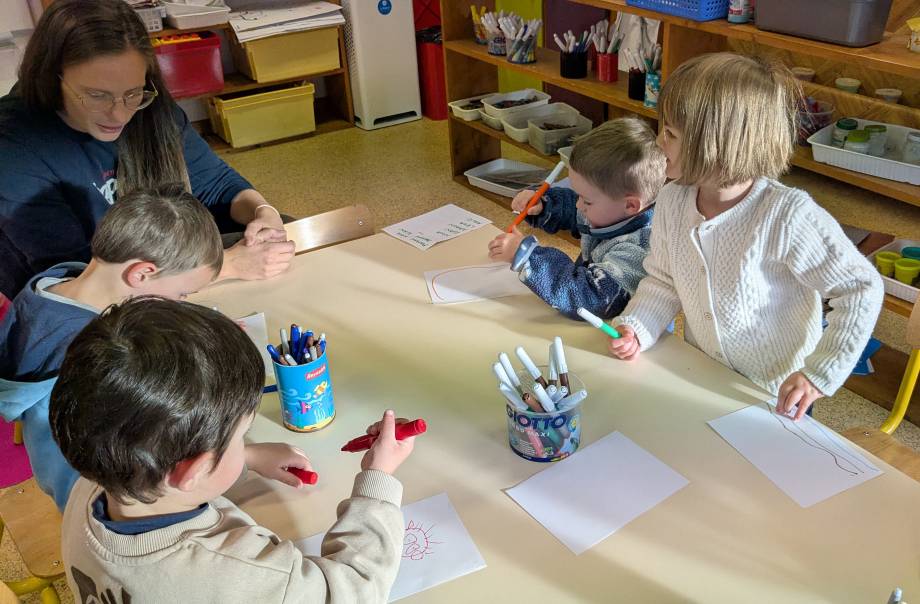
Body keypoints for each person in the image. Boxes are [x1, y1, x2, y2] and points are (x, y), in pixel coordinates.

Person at [51, 298, 414, 603]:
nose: (246, 444)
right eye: (243, 436)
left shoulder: (93, 481)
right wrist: (377, 482)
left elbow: (176, 477)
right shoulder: (240, 574)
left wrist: (249, 458)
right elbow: (352, 589)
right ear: (192, 471)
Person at [607, 53, 884, 420]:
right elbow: (663, 279)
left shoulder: (786, 215)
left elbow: (861, 287)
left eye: (670, 133)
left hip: (775, 396)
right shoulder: (673, 199)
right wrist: (638, 327)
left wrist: (819, 374)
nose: (659, 143)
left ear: (717, 145)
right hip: (703, 376)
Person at [0, 0, 294, 298]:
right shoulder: (15, 144)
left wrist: (262, 211)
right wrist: (227, 267)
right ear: (52, 77)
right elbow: (75, 280)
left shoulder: (151, 108)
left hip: (162, 260)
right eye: (97, 96)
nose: (120, 115)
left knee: (284, 232)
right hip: (85, 287)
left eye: (132, 93)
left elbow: (217, 184)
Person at [0, 185, 223, 510]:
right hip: (93, 491)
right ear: (142, 273)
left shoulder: (55, 282)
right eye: (184, 294)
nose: (181, 303)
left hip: (65, 460)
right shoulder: (88, 347)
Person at [487, 118, 666, 320]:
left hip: (617, 335)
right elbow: (575, 212)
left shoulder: (639, 249)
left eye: (587, 201)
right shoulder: (613, 210)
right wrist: (545, 206)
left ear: (631, 205)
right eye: (579, 195)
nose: (579, 205)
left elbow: (590, 298)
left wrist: (530, 257)